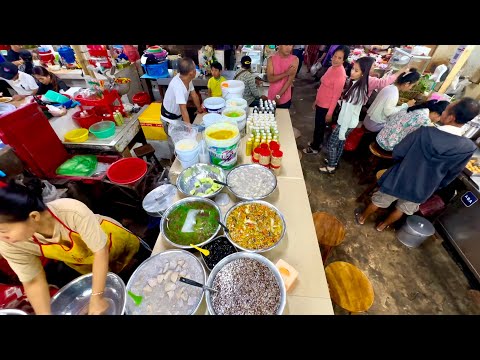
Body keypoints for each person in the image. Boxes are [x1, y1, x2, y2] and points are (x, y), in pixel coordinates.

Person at [0, 179, 143, 315]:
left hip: (116, 245)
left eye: (3, 231)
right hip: (86, 263)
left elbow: (101, 251)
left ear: (34, 217)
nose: (2, 238)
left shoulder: (72, 211)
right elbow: (33, 281)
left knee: (141, 274)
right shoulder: (10, 244)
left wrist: (97, 296)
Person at [356, 97, 480, 231]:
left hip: (400, 177)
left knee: (379, 201)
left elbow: (398, 152)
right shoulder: (468, 147)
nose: (442, 113)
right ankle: (382, 226)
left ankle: (362, 218)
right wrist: (434, 185)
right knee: (402, 209)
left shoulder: (425, 132)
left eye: (445, 111)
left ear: (451, 117)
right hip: (424, 187)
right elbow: (451, 175)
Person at [319, 56, 376, 174]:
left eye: (356, 70)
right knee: (340, 144)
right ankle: (334, 161)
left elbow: (348, 113)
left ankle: (331, 166)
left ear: (363, 73)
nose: (352, 72)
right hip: (349, 122)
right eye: (353, 69)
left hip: (345, 122)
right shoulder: (358, 85)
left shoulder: (357, 90)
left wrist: (341, 131)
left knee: (332, 144)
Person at [303, 46, 350, 154]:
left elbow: (336, 96)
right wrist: (316, 101)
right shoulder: (331, 68)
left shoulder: (340, 75)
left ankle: (315, 148)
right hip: (321, 102)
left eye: (339, 58)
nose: (335, 59)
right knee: (318, 125)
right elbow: (323, 87)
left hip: (326, 106)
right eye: (334, 56)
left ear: (344, 60)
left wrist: (329, 113)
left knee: (320, 127)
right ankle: (316, 142)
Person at [160, 57, 205, 152]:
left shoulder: (187, 79)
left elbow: (194, 95)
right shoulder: (178, 86)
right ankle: (173, 162)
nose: (196, 71)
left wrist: (200, 109)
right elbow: (183, 109)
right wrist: (189, 128)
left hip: (178, 117)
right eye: (194, 69)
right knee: (178, 147)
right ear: (191, 73)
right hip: (170, 120)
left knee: (185, 142)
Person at [376, 99, 449, 151]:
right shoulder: (424, 120)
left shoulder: (419, 109)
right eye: (439, 119)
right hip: (387, 144)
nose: (438, 121)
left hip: (381, 135)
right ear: (437, 114)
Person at [267, 45, 298, 109]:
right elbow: (270, 79)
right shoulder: (271, 59)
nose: (288, 48)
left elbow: (289, 81)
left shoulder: (295, 59)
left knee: (283, 117)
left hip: (285, 98)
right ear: (279, 45)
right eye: (286, 45)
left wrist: (278, 95)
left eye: (291, 45)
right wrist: (286, 73)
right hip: (271, 95)